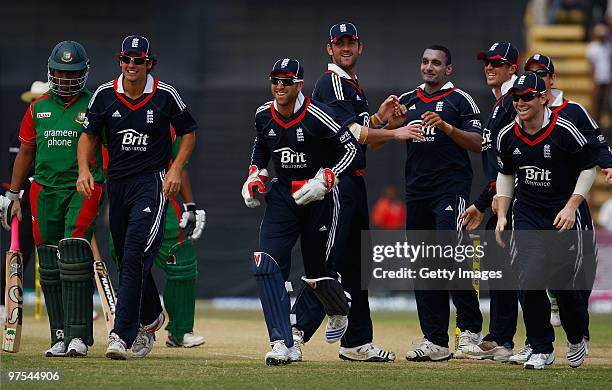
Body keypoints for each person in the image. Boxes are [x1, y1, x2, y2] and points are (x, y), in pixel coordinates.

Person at [290, 22, 421, 363]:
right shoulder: (331, 82)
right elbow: (352, 135)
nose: (346, 47)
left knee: (356, 265)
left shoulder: (352, 86)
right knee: (328, 262)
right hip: (336, 182)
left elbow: (362, 140)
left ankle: (357, 341)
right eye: (339, 43)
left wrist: (380, 119)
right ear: (329, 49)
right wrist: (397, 133)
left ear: (360, 47)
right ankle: (293, 331)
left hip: (353, 180)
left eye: (351, 42)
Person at [77, 35, 197, 360]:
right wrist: (83, 170)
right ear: (120, 62)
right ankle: (152, 314)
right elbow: (87, 135)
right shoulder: (104, 95)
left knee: (133, 255)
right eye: (127, 59)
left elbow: (188, 132)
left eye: (138, 60)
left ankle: (121, 334)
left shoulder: (165, 95)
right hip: (117, 184)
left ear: (149, 63)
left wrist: (175, 169)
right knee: (124, 256)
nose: (132, 65)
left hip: (151, 183)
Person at [243, 58, 364, 365]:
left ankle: (338, 308)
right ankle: (283, 343)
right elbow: (261, 146)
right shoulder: (262, 114)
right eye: (275, 80)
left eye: (287, 81)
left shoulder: (316, 116)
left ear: (299, 85)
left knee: (319, 274)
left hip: (318, 198)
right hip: (283, 197)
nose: (279, 86)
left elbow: (351, 150)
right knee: (266, 265)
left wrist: (326, 178)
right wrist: (254, 173)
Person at [505, 53, 612, 363]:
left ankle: (578, 332)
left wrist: (607, 165)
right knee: (530, 275)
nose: (533, 80)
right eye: (528, 74)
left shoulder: (572, 113)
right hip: (529, 209)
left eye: (540, 74)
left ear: (550, 80)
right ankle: (538, 345)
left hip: (569, 208)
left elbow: (595, 145)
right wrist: (498, 207)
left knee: (573, 282)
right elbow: (505, 163)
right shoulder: (515, 118)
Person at [3, 41, 104, 357]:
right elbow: (27, 152)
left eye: (71, 73)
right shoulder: (38, 107)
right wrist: (13, 193)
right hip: (43, 191)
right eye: (59, 72)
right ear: (50, 72)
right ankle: (59, 336)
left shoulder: (95, 103)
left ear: (84, 73)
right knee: (48, 261)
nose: (64, 78)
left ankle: (79, 337)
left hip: (81, 188)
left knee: (73, 253)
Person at [390, 45, 484, 361]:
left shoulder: (461, 100)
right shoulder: (407, 100)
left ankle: (470, 331)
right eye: (425, 61)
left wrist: (445, 126)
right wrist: (390, 121)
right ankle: (435, 340)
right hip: (417, 192)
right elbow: (387, 132)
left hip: (450, 190)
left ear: (448, 69)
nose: (429, 67)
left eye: (436, 63)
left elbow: (477, 143)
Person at [461, 42, 521, 362]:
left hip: (519, 199)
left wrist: (492, 201)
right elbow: (497, 168)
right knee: (501, 268)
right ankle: (500, 337)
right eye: (487, 62)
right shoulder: (499, 104)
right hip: (501, 197)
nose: (489, 67)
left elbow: (512, 161)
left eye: (498, 63)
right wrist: (483, 202)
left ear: (513, 67)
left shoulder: (514, 102)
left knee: (517, 269)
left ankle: (535, 339)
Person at [0, 80, 47, 317]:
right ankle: (3, 302)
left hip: (49, 193)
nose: (36, 103)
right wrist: (12, 196)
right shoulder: (21, 129)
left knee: (61, 250)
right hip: (25, 198)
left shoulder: (52, 127)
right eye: (33, 99)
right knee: (20, 250)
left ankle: (76, 302)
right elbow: (14, 165)